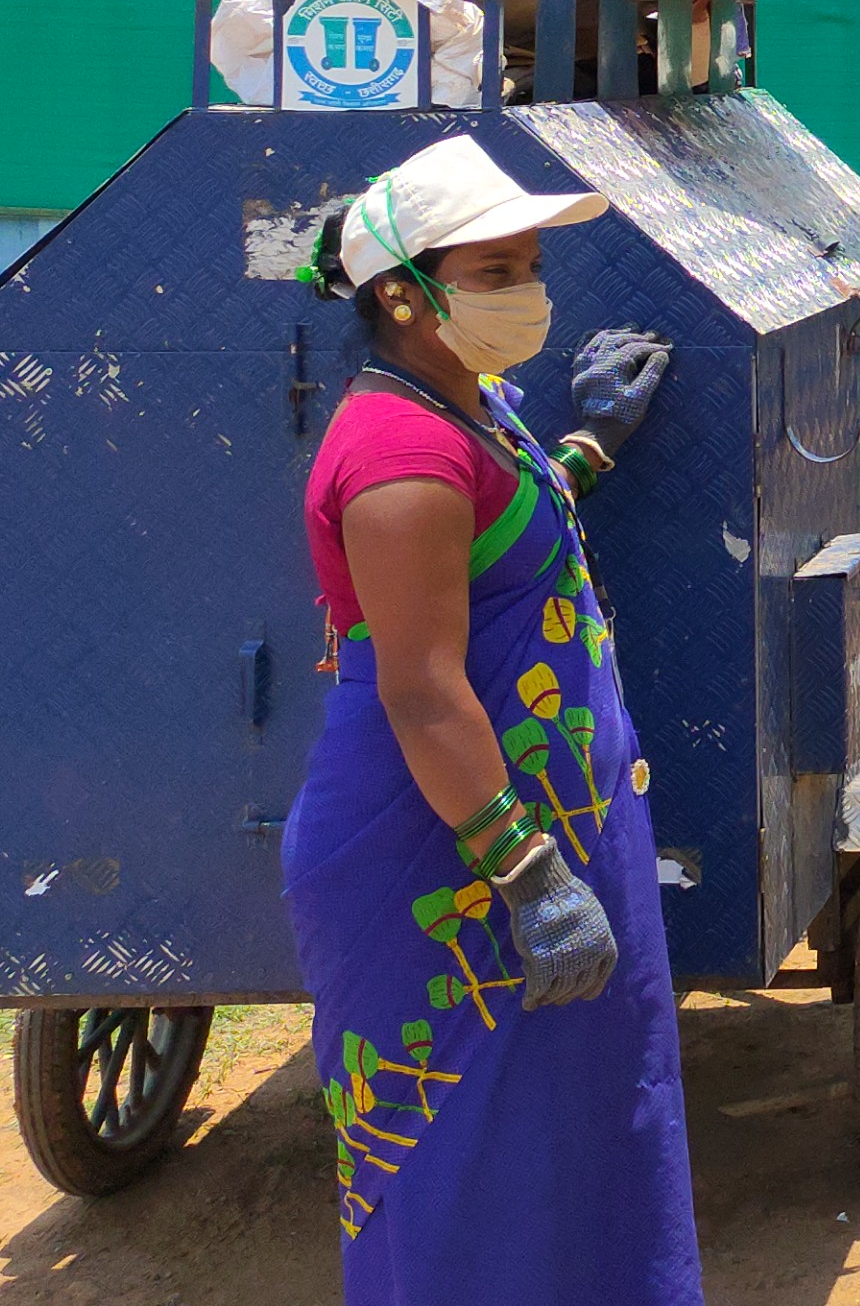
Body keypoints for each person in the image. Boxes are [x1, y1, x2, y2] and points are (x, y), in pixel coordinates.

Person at [284, 134, 698, 1302]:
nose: (529, 292)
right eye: (499, 271)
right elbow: (422, 688)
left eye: (528, 265)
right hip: (452, 855)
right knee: (464, 1168)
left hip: (538, 826)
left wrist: (590, 442)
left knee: (577, 1134)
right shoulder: (399, 452)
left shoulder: (472, 404)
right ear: (405, 297)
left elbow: (514, 526)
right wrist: (529, 877)